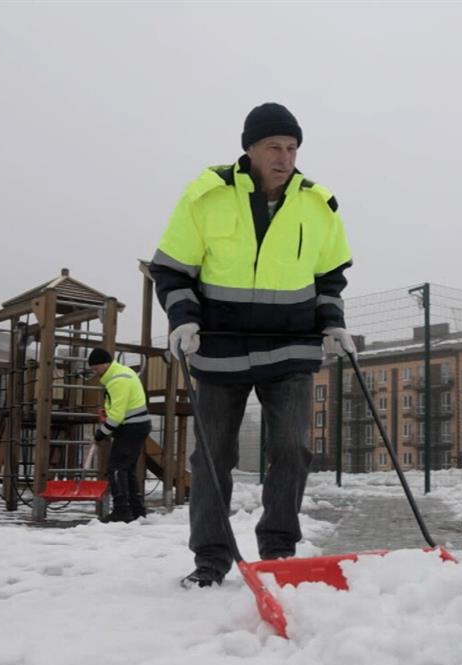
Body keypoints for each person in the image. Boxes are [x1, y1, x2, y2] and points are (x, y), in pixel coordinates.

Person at [149, 102, 354, 588]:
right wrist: (183, 319)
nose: (284, 158)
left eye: (291, 147)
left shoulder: (317, 203)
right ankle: (211, 559)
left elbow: (329, 276)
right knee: (212, 456)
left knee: (292, 448)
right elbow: (172, 269)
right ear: (250, 149)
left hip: (291, 349)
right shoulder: (206, 197)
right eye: (273, 147)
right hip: (220, 349)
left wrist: (333, 323)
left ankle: (280, 551)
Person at [88, 348, 152, 522]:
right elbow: (121, 407)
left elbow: (117, 415)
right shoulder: (123, 373)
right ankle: (137, 511)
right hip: (136, 426)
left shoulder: (117, 380)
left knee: (115, 469)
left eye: (95, 368)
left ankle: (121, 511)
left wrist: (100, 434)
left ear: (104, 364)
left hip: (131, 428)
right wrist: (107, 412)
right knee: (127, 470)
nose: (94, 372)